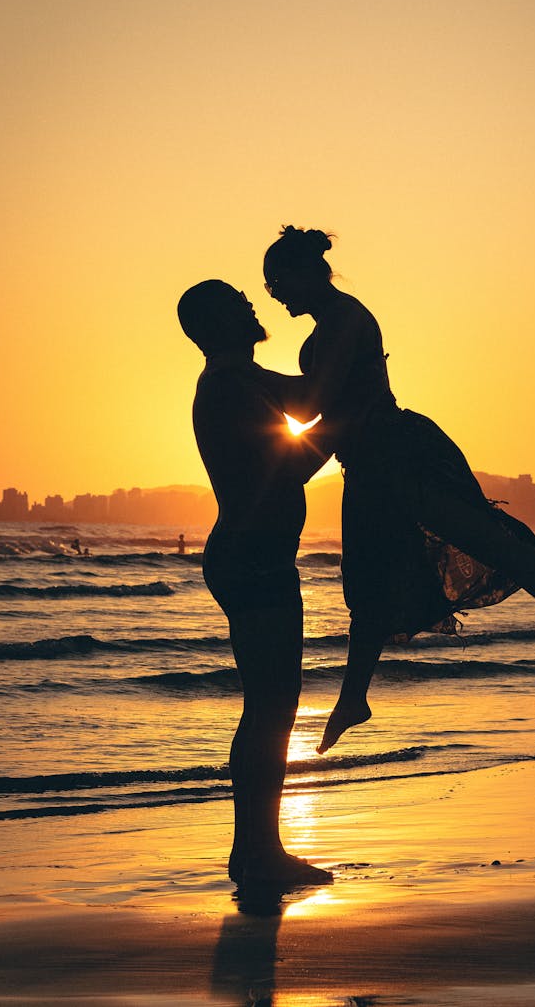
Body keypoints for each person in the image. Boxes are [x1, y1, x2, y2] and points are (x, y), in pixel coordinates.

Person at [258, 225, 535, 755]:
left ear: (306, 272)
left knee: (490, 541)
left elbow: (312, 407)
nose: (276, 296)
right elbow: (329, 413)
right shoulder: (330, 323)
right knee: (368, 587)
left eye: (277, 283)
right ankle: (353, 698)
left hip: (399, 455)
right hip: (365, 464)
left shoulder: (346, 319)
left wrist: (248, 376)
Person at [178, 279, 333, 889]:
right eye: (234, 302)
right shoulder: (225, 385)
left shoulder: (248, 378)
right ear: (212, 327)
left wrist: (339, 341)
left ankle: (256, 851)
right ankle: (258, 854)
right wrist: (339, 426)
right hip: (252, 562)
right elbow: (292, 464)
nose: (250, 304)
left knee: (274, 706)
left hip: (258, 558)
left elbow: (311, 393)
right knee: (269, 708)